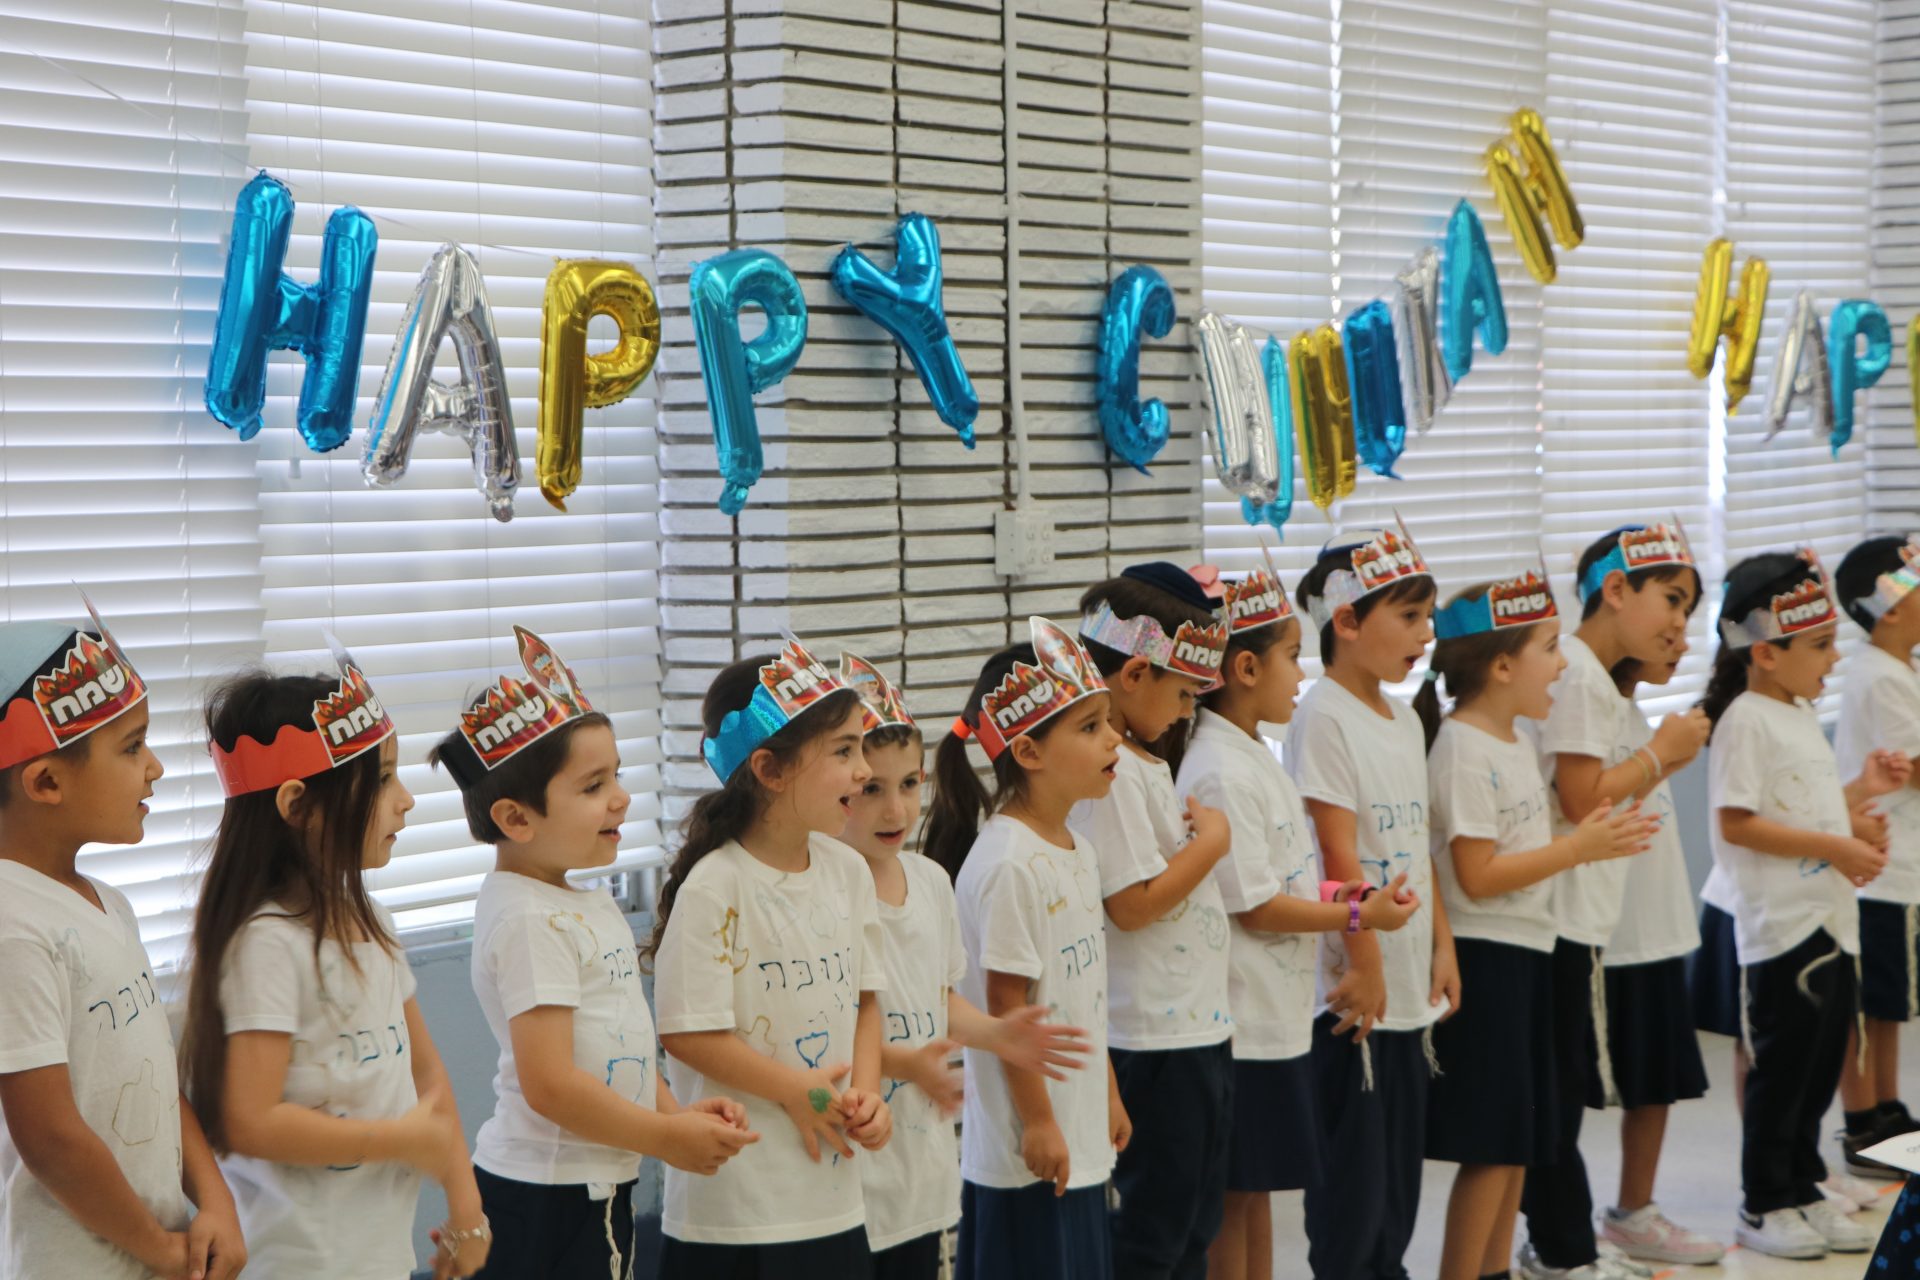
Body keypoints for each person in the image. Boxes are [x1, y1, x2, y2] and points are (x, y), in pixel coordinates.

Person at [436, 626, 756, 1279]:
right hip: (546, 1190)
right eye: (592, 787)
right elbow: (550, 1083)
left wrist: (673, 1111)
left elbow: (619, 1051)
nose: (620, 798)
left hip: (594, 1180)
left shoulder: (579, 898)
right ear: (516, 820)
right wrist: (667, 1139)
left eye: (617, 776)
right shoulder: (527, 917)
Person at [182, 649, 488, 1278]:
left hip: (376, 1254)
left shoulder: (370, 921)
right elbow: (250, 1120)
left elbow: (427, 1075)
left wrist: (466, 1207)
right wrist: (399, 1141)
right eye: (380, 779)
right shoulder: (266, 943)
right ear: (298, 806)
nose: (404, 800)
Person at [1178, 560, 1418, 1280]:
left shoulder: (1256, 754)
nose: (1301, 673)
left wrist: (1353, 907)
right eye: (1291, 656)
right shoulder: (1217, 767)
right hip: (1243, 1019)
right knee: (1235, 1197)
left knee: (1256, 1193)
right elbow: (1255, 907)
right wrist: (1354, 912)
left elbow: (1285, 878)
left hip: (1276, 1018)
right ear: (1245, 668)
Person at [1414, 568, 1655, 1280]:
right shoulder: (1461, 747)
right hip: (1486, 960)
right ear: (1499, 665)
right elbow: (1476, 876)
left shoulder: (1514, 741)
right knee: (1491, 1145)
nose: (1561, 664)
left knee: (1517, 1142)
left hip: (1527, 951)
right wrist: (1576, 848)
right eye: (1550, 648)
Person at [0, 603, 247, 1280]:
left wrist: (216, 1203)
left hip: (156, 1250)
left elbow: (158, 1080)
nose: (157, 767)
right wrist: (156, 1247)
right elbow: (49, 1138)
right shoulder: (12, 925)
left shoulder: (108, 904)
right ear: (46, 780)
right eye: (132, 747)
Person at [836, 652, 1089, 1279]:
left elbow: (936, 998)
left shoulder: (928, 881)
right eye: (872, 790)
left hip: (922, 1172)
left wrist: (997, 1033)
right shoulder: (829, 889)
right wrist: (901, 1063)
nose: (896, 811)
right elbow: (822, 1026)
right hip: (850, 1168)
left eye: (909, 785)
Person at [647, 637, 893, 1278]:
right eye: (843, 750)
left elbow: (867, 999)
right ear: (770, 769)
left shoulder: (847, 871)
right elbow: (686, 1033)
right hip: (737, 1210)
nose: (864, 769)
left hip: (833, 1199)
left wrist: (865, 1093)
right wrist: (796, 1091)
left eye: (860, 747)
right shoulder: (716, 886)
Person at [1697, 549, 1909, 1258]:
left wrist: (1861, 796)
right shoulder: (1746, 720)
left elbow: (1811, 810)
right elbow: (1738, 823)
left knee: (1818, 1072)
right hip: (1781, 931)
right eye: (1819, 648)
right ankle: (1763, 1203)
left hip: (1829, 923)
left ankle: (1799, 1186)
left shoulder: (1790, 712)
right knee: (1781, 1076)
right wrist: (1845, 849)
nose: (1831, 662)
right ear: (1764, 652)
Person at [1527, 524, 1718, 1277]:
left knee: (1561, 1094)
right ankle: (1563, 1249)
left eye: (1689, 609)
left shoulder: (1595, 681)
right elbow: (1581, 798)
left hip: (1583, 920)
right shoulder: (1575, 671)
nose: (1680, 622)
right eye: (1671, 599)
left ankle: (1562, 1243)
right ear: (1615, 590)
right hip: (1560, 921)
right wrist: (1662, 755)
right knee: (1558, 1097)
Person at [922, 618, 1132, 1280]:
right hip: (1026, 1153)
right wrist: (1040, 1124)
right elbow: (1010, 1013)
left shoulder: (1077, 847)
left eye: (1108, 721)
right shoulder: (1010, 864)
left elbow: (1082, 998)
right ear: (1031, 752)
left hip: (1077, 1131)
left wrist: (1108, 1092)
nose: (1114, 738)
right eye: (1091, 727)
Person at [1287, 522, 1451, 1280]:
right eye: (1410, 616)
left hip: (1408, 982)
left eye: (1429, 615)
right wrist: (1365, 961)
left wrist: (1442, 944)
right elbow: (1335, 851)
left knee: (1398, 1183)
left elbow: (1415, 845)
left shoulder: (1403, 715)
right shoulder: (1322, 713)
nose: (1427, 633)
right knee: (1354, 1190)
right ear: (1347, 623)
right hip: (1356, 990)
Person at [1068, 562, 1234, 1280]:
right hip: (1150, 1038)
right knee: (1151, 1232)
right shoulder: (1111, 774)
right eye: (1184, 693)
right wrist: (1213, 845)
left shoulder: (1143, 760)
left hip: (1194, 1028)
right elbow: (1132, 905)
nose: (1188, 712)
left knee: (1195, 1222)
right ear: (1134, 674)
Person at [1832, 535, 1920, 1175]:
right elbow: (1909, 766)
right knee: (1871, 1006)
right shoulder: (1881, 676)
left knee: (1890, 1005)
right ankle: (1865, 1125)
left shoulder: (1900, 668)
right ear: (1889, 607)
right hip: (1884, 873)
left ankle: (1889, 1109)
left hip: (1900, 871)